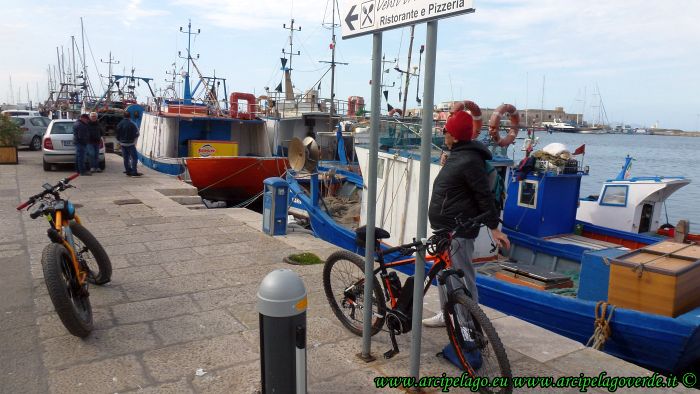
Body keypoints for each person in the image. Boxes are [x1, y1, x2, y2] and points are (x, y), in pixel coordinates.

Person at [422, 110, 510, 327]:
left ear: (454, 134)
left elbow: (483, 196)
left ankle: (468, 325)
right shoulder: (460, 154)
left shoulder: (470, 159)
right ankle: (447, 315)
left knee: (462, 278)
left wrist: (494, 228)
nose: (443, 134)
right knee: (445, 274)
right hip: (445, 229)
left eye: (445, 130)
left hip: (458, 230)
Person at [116, 111, 142, 177]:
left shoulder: (119, 124)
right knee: (134, 158)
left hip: (122, 144)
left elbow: (117, 134)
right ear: (130, 116)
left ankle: (128, 171)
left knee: (126, 158)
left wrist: (120, 141)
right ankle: (134, 172)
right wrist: (133, 141)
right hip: (130, 144)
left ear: (123, 116)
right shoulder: (132, 124)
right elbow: (137, 133)